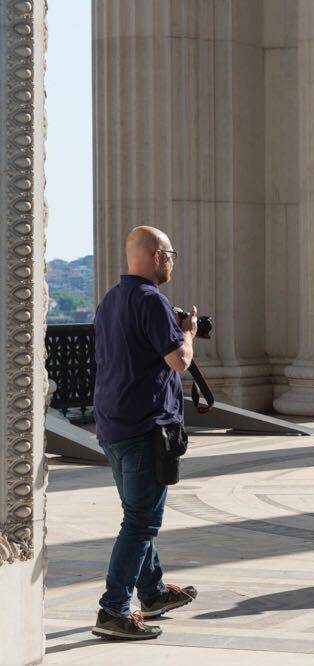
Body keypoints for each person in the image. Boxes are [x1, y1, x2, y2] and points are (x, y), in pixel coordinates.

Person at [91, 226, 200, 640]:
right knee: (140, 522)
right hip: (145, 428)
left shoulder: (110, 301)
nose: (172, 260)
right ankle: (113, 610)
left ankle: (152, 593)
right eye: (171, 253)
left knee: (138, 515)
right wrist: (187, 333)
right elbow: (178, 362)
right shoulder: (152, 300)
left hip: (112, 426)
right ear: (156, 257)